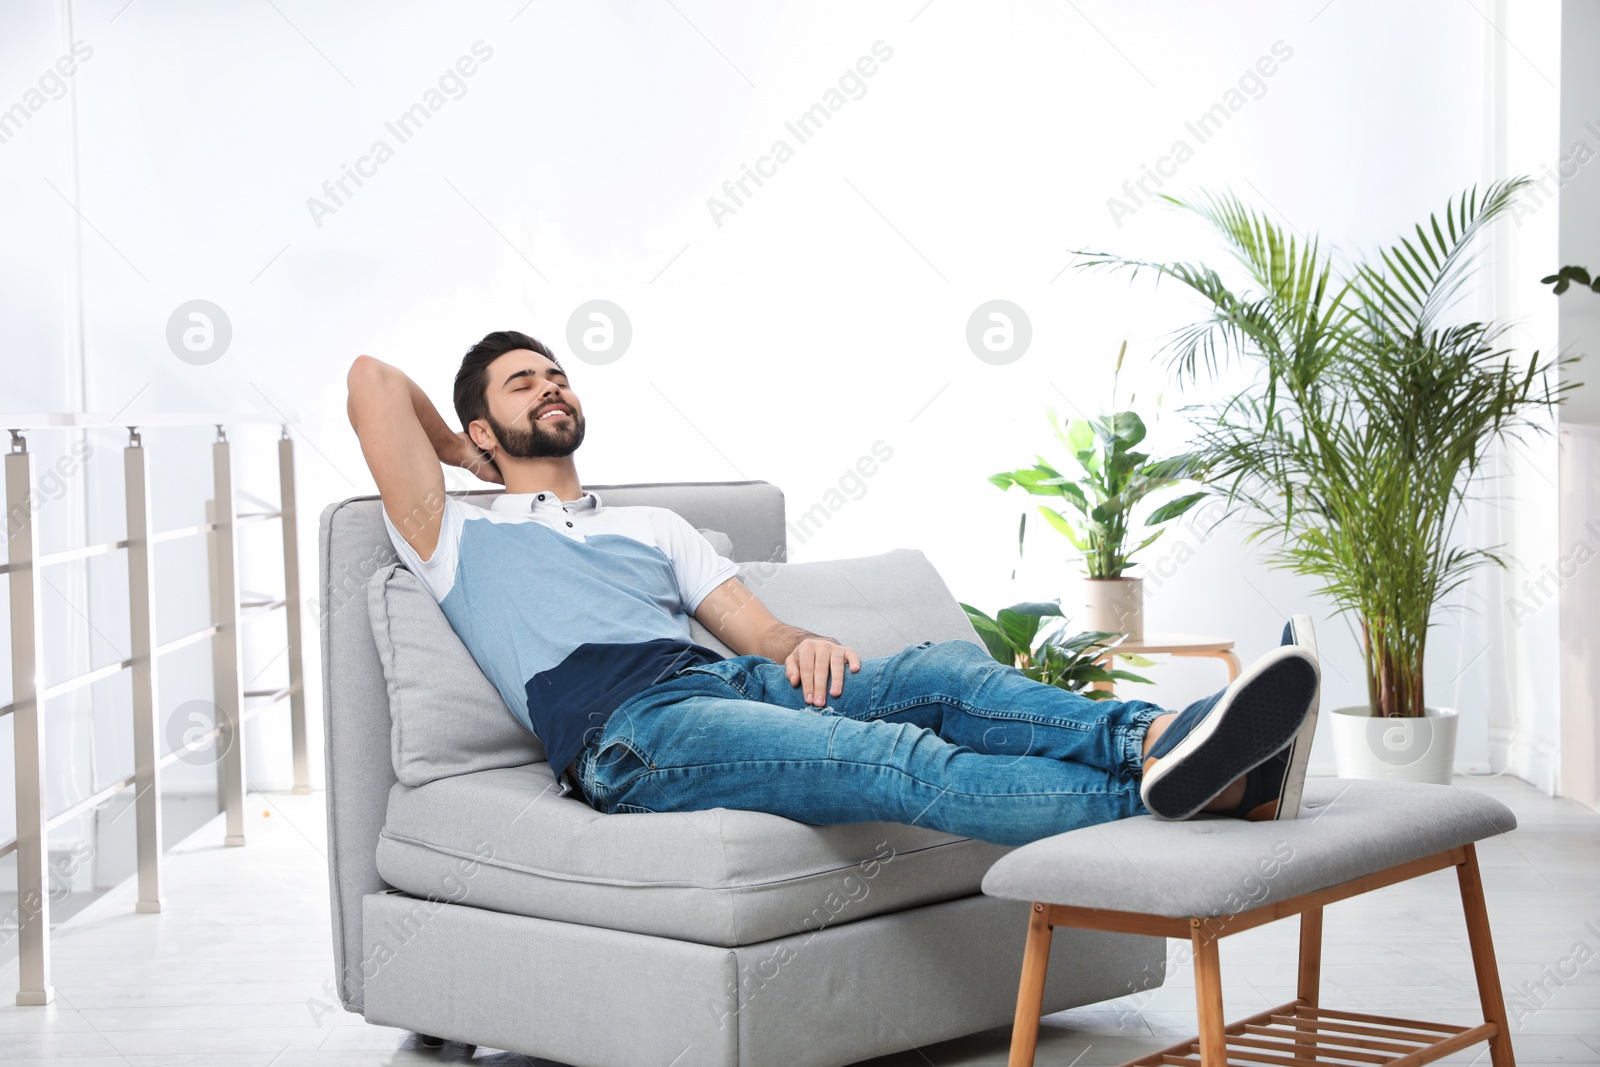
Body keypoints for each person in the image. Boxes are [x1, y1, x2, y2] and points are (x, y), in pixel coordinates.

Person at [345, 331, 1320, 848]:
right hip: (630, 734)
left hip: (726, 686)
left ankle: (1169, 744)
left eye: (557, 375)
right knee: (891, 757)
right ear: (477, 429)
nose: (551, 386)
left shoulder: (651, 527)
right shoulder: (453, 530)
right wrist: (459, 452)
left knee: (944, 675)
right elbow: (371, 378)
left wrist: (795, 645)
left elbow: (759, 629)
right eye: (522, 384)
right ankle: (1173, 802)